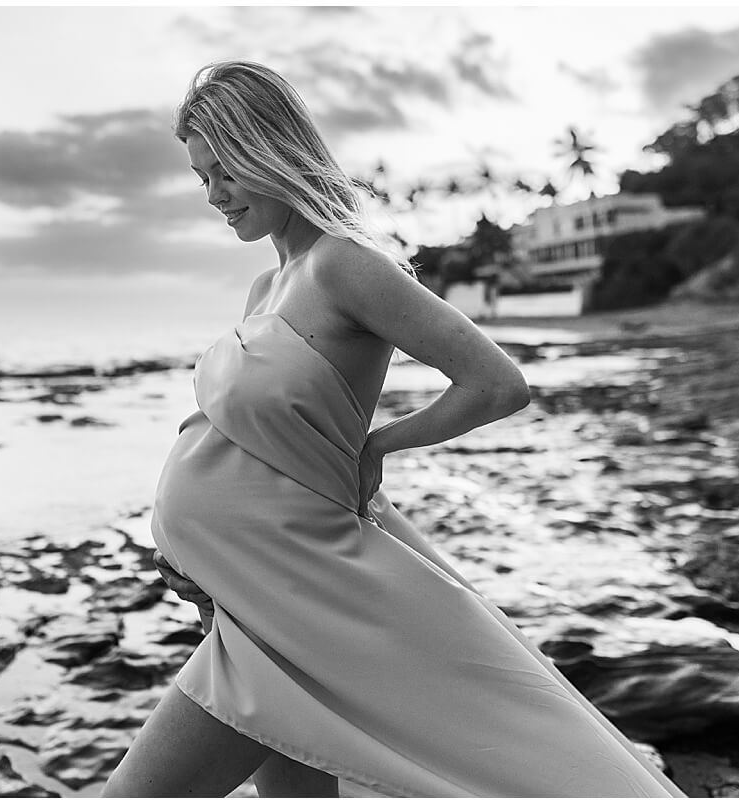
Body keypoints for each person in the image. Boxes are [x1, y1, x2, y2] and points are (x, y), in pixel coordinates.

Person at [102, 61, 686, 798]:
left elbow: (496, 383)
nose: (215, 197)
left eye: (226, 173)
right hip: (250, 595)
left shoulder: (345, 265)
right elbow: (246, 436)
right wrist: (199, 557)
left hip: (308, 599)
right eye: (202, 178)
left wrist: (382, 443)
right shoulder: (265, 286)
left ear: (267, 152)